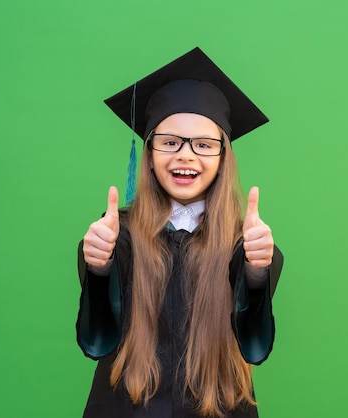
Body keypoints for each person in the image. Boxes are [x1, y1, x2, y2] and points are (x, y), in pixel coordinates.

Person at [76, 47, 284, 418]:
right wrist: (99, 264)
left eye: (204, 145)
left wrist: (255, 270)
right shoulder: (118, 235)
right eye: (170, 142)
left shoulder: (245, 242)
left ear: (223, 158)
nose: (186, 155)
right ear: (150, 154)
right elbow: (98, 334)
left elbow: (252, 340)